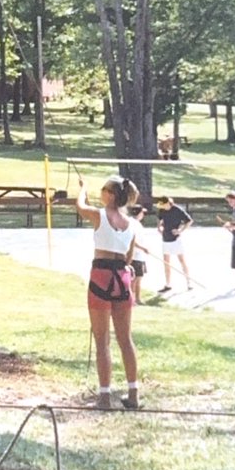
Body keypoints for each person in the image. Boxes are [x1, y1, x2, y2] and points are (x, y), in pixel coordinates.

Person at [75, 175, 141, 411]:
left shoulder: (99, 215)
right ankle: (133, 394)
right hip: (122, 277)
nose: (101, 193)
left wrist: (83, 189)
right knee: (125, 339)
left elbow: (80, 206)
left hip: (101, 276)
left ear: (111, 194)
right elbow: (129, 258)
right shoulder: (131, 224)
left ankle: (104, 396)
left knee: (102, 340)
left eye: (103, 190)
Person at [156, 195, 193, 292]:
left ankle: (189, 282)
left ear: (168, 203)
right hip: (165, 239)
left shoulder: (177, 210)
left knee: (182, 260)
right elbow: (159, 220)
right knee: (166, 263)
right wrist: (159, 227)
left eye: (163, 204)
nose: (162, 206)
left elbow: (189, 221)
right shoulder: (162, 210)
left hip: (176, 239)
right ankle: (168, 284)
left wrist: (180, 230)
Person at [127, 205, 150, 304]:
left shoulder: (136, 223)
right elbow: (131, 240)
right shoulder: (133, 224)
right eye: (142, 213)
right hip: (135, 255)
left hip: (140, 256)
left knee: (139, 278)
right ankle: (132, 299)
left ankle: (137, 298)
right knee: (135, 279)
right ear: (138, 213)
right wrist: (142, 248)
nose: (143, 215)